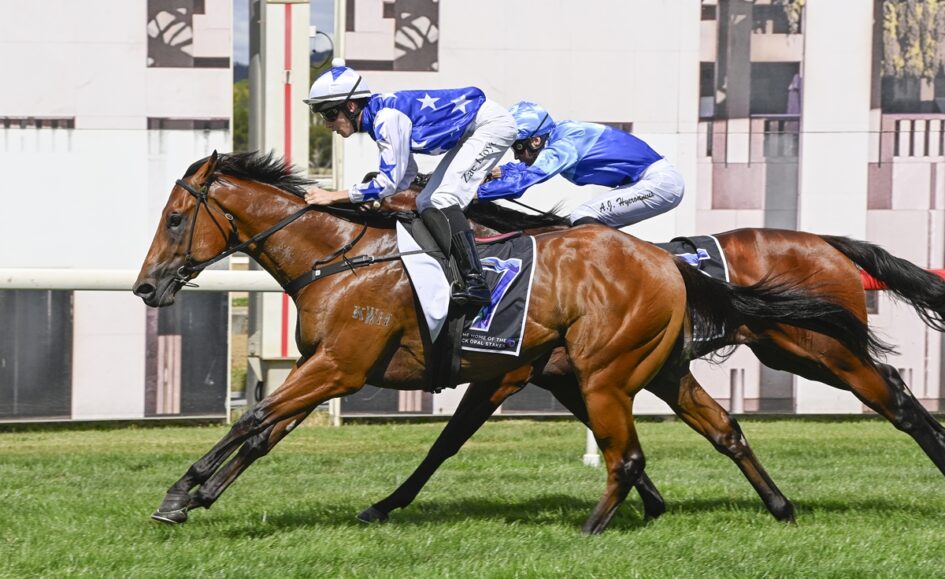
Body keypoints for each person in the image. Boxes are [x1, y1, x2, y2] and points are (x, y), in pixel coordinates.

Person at [303, 60, 516, 308]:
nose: (328, 124)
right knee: (426, 201)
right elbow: (405, 176)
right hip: (472, 130)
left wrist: (334, 196)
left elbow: (388, 181)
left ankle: (476, 282)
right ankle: (452, 270)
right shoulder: (378, 119)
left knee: (444, 199)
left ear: (351, 106)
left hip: (490, 126)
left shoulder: (386, 118)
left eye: (330, 114)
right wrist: (370, 197)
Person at [478, 101, 684, 228]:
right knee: (582, 222)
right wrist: (498, 172)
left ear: (536, 140)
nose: (516, 156)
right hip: (650, 182)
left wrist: (475, 194)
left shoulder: (566, 143)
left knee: (582, 215)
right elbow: (530, 167)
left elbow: (527, 178)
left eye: (518, 147)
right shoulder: (559, 137)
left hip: (659, 184)